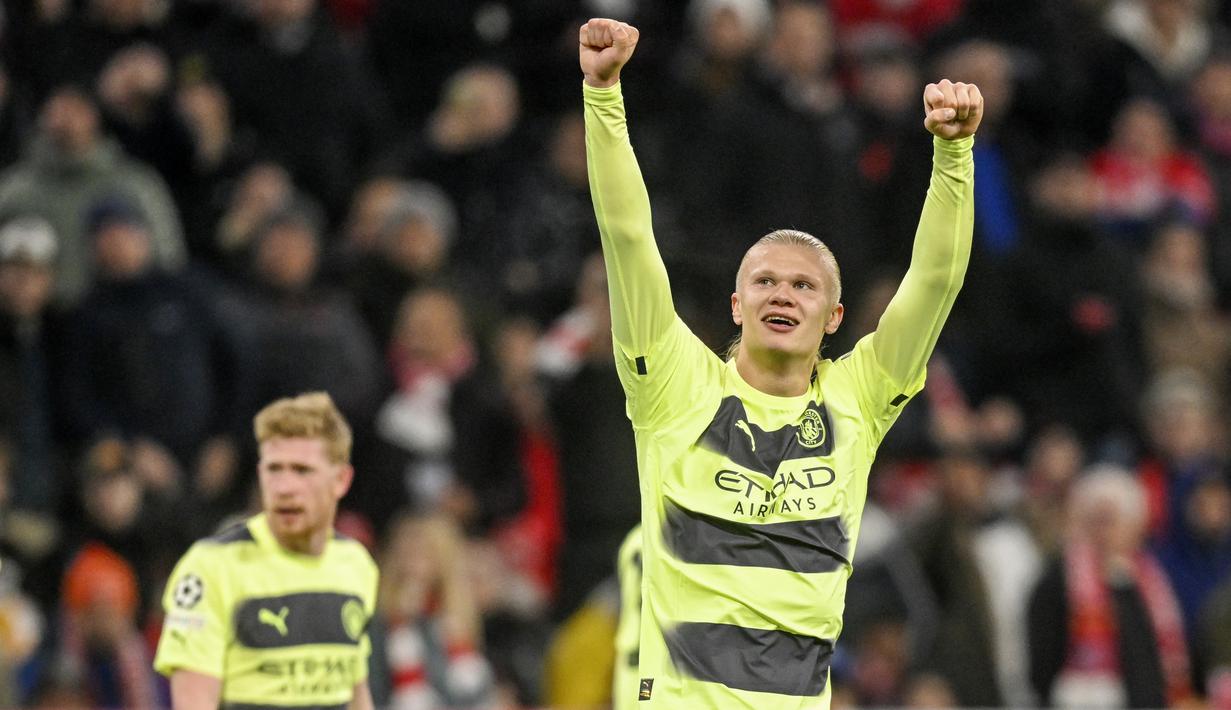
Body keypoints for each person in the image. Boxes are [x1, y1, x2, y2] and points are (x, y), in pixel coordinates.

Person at [579, 18, 980, 707]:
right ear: (736, 305)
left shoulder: (858, 399)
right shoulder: (673, 386)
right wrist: (604, 96)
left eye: (803, 285)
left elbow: (933, 281)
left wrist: (953, 157)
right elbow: (627, 236)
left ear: (833, 319)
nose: (782, 294)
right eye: (765, 280)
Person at [152, 392, 379, 710]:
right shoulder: (212, 567)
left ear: (341, 480)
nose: (284, 487)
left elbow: (355, 693)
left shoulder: (356, 565)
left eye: (301, 470)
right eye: (274, 469)